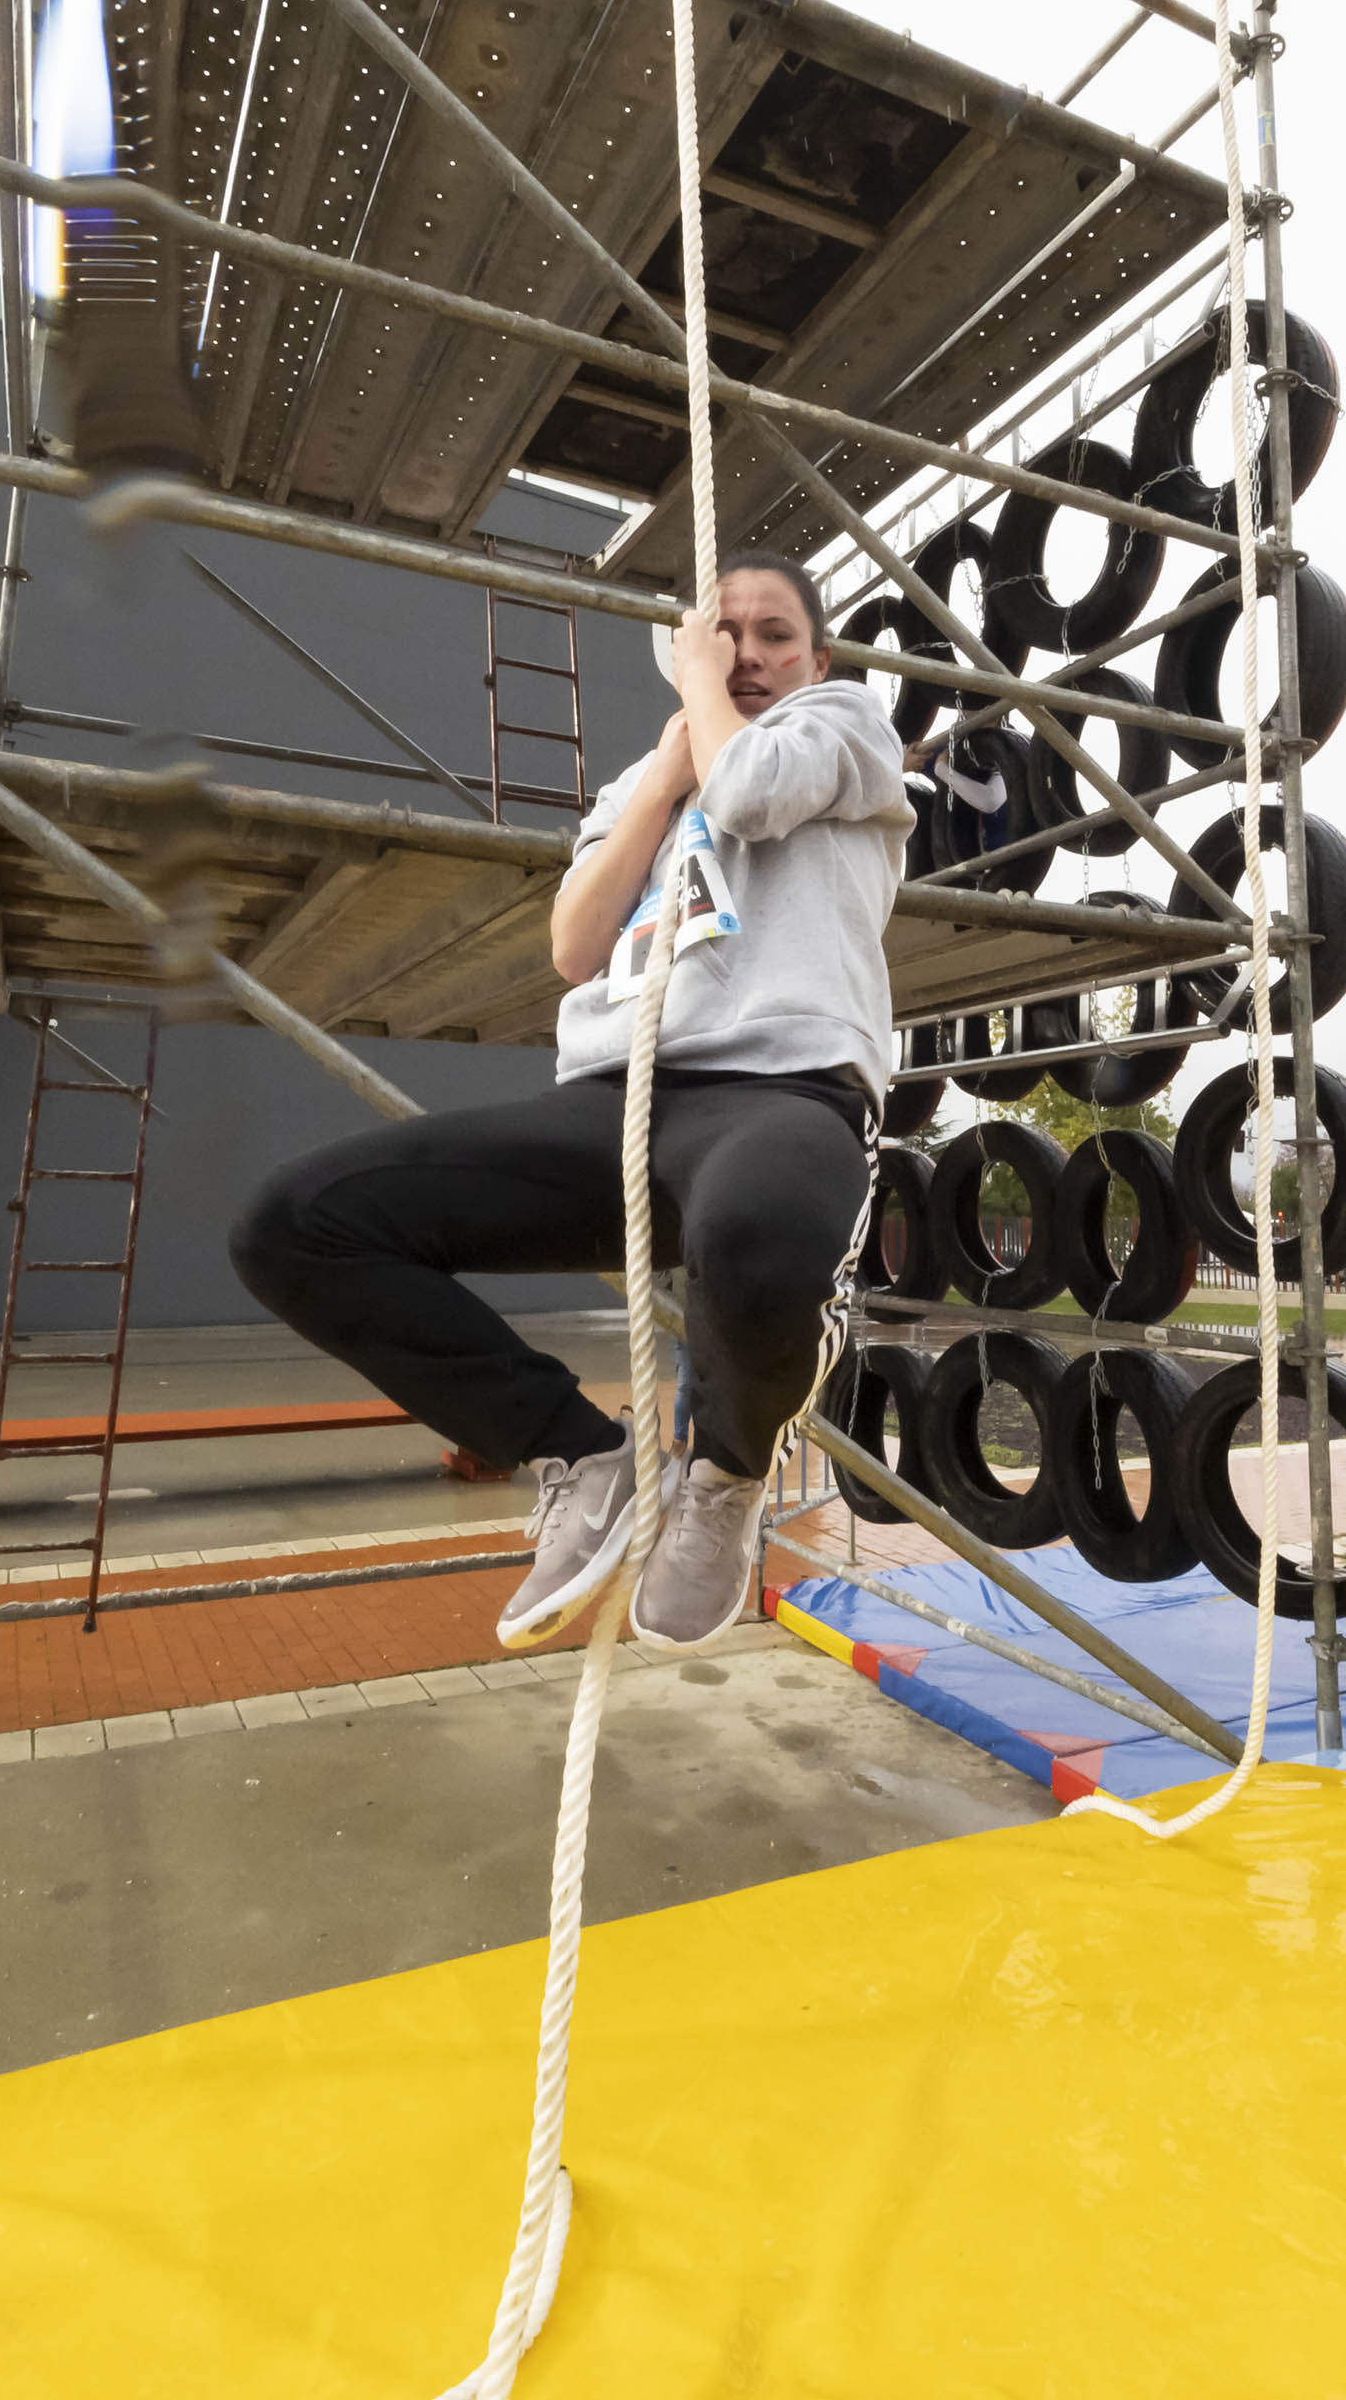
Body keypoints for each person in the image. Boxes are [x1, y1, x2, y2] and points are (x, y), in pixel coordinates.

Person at [232, 551, 908, 1654]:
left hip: (781, 1092)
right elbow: (574, 945)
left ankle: (725, 1477)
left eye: (771, 635)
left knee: (757, 1229)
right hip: (618, 1099)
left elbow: (751, 790)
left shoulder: (843, 726)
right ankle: (586, 1459)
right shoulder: (638, 787)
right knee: (293, 1224)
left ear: (816, 657)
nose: (744, 656)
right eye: (722, 635)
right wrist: (657, 781)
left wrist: (701, 681)